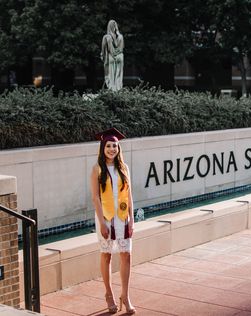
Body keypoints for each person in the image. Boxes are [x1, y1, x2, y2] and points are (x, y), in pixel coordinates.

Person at [90, 127, 135, 314]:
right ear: (103, 148)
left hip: (123, 217)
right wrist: (101, 222)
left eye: (115, 146)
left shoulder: (123, 168)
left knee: (126, 254)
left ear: (118, 148)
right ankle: (108, 294)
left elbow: (130, 193)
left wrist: (132, 218)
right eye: (108, 146)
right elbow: (95, 198)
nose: (112, 149)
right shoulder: (97, 169)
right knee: (107, 255)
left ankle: (125, 296)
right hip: (106, 217)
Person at [101, 20, 124, 91]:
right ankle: (118, 89)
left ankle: (112, 90)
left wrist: (103, 56)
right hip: (120, 57)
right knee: (119, 75)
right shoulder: (120, 36)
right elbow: (122, 48)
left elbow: (103, 49)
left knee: (110, 76)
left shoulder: (106, 37)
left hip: (110, 57)